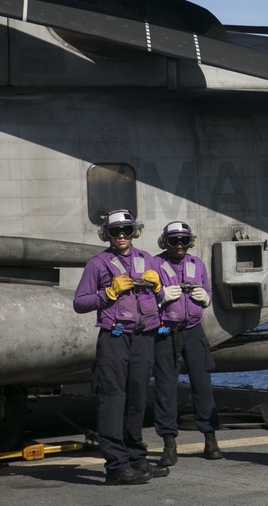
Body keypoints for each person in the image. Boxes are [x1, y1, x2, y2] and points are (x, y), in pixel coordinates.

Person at [73, 208, 170, 486]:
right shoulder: (97, 264)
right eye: (116, 232)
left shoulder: (147, 259)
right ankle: (116, 466)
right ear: (108, 235)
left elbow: (161, 297)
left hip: (144, 337)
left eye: (127, 231)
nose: (122, 236)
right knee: (113, 400)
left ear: (134, 231)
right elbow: (80, 302)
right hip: (114, 338)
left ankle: (137, 459)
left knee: (137, 398)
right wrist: (108, 293)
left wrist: (157, 287)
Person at [152, 220, 223, 466]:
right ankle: (169, 444)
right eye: (174, 241)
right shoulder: (155, 265)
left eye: (183, 240)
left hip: (194, 331)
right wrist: (160, 298)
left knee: (203, 386)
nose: (179, 245)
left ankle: (210, 440)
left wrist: (206, 299)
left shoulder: (197, 264)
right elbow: (144, 299)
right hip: (165, 332)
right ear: (165, 242)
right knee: (165, 390)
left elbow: (208, 291)